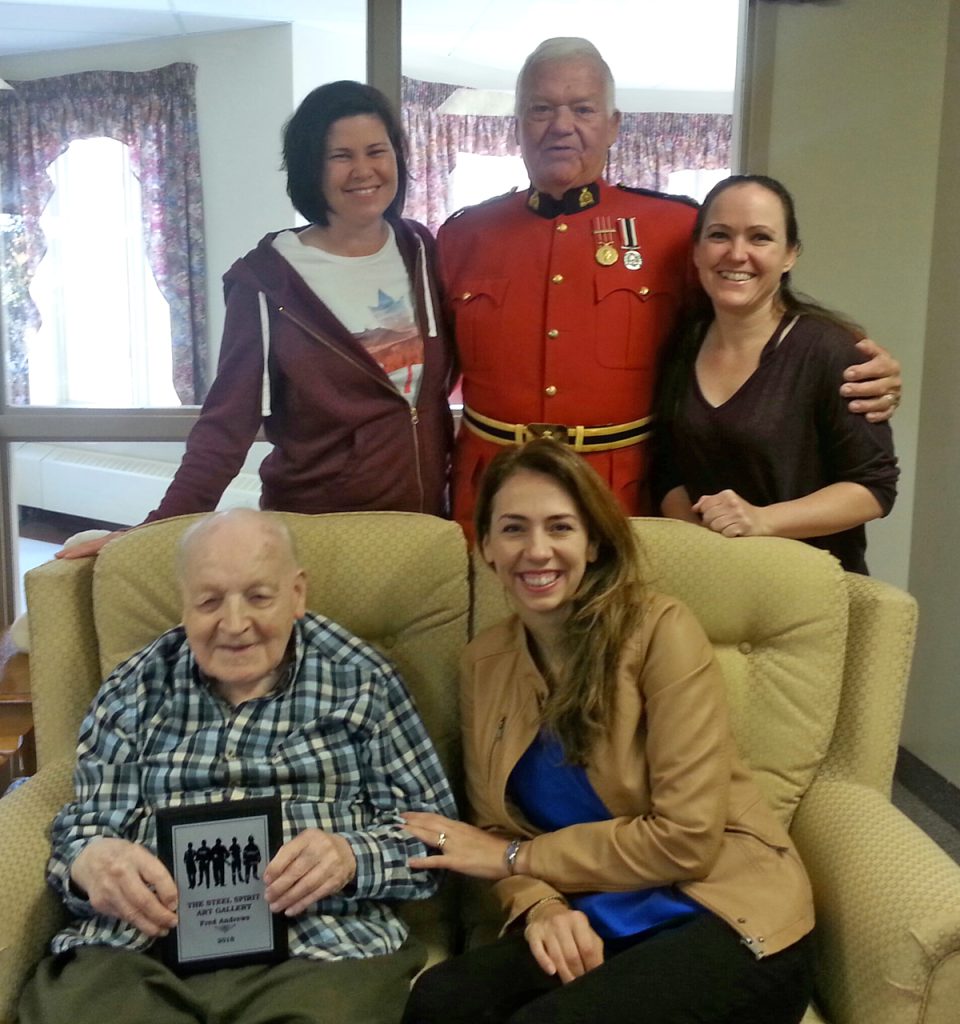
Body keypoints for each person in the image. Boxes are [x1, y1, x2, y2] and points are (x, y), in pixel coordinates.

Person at [401, 438, 814, 1024]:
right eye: (513, 529)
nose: (536, 550)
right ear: (486, 546)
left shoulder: (659, 632)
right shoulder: (483, 662)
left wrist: (519, 859)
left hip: (723, 912)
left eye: (560, 527)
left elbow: (687, 839)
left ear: (593, 542)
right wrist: (540, 905)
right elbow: (495, 824)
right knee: (440, 1000)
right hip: (598, 913)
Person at [435, 37, 902, 534]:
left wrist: (863, 367)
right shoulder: (463, 235)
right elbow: (428, 373)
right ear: (518, 125)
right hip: (493, 490)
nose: (562, 126)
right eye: (541, 109)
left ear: (613, 126)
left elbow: (748, 321)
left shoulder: (674, 230)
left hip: (622, 496)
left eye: (583, 109)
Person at [19, 509, 458, 1024]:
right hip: (141, 949)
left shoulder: (362, 681)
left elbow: (437, 837)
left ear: (296, 593)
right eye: (208, 601)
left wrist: (350, 856)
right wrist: (90, 862)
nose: (233, 624)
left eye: (258, 597)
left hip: (318, 951)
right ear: (183, 603)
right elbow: (85, 825)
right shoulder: (133, 689)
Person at [59, 80, 456, 561]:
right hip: (318, 538)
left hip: (425, 530)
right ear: (311, 166)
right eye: (340, 156)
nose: (363, 170)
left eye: (377, 151)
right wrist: (155, 531)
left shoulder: (419, 250)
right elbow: (227, 423)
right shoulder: (268, 281)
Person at [653, 174, 898, 574]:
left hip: (809, 593)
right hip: (713, 584)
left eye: (760, 238)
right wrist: (703, 543)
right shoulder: (683, 343)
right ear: (696, 251)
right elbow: (667, 469)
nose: (736, 254)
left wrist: (763, 521)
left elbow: (874, 487)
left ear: (790, 255)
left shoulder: (830, 351)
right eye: (719, 235)